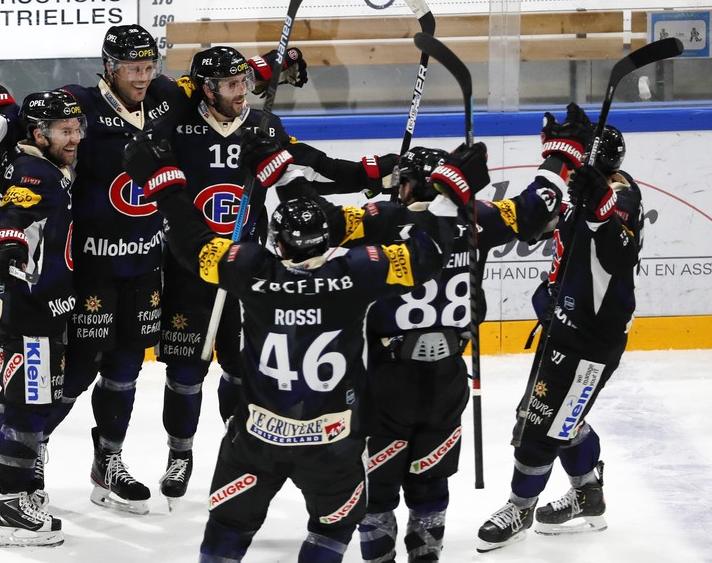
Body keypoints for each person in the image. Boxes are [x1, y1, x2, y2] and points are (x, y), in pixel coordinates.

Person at [0, 25, 309, 515]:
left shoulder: (163, 95)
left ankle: (107, 461)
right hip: (92, 268)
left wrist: (269, 68)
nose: (142, 75)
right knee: (77, 370)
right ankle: (33, 455)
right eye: (132, 67)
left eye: (148, 66)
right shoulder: (80, 103)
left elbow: (210, 83)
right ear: (110, 67)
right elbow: (29, 121)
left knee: (126, 369)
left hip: (144, 264)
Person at [120, 126, 488, 562]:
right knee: (331, 531)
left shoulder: (249, 268)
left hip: (258, 440)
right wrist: (451, 195)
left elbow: (191, 243)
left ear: (275, 241)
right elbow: (428, 254)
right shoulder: (357, 271)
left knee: (229, 528)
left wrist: (164, 181)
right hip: (333, 448)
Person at [155, 45, 398, 508]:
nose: (242, 91)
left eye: (245, 81)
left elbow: (311, 169)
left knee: (239, 368)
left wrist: (377, 172)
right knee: (185, 370)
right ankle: (179, 453)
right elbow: (165, 101)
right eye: (230, 84)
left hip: (245, 269)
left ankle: (236, 440)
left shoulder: (263, 125)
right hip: (189, 266)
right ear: (207, 90)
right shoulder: (181, 121)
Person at [345, 140, 571, 562]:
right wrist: (561, 155)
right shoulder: (476, 218)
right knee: (430, 485)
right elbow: (538, 207)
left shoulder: (375, 219)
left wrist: (281, 167)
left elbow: (304, 226)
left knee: (376, 493)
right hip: (446, 383)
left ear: (409, 187)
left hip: (385, 384)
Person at [475, 119, 643, 552]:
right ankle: (588, 493)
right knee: (553, 416)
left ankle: (520, 507)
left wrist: (600, 208)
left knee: (540, 428)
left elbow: (618, 251)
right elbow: (541, 224)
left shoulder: (621, 197)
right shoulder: (582, 189)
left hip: (590, 339)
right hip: (564, 328)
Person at [0, 90, 85, 548]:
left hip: (17, 300)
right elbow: (16, 213)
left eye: (77, 130)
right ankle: (12, 505)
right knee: (26, 401)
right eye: (65, 132)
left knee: (32, 397)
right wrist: (8, 244)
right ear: (40, 134)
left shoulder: (20, 148)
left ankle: (23, 488)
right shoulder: (37, 174)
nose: (74, 139)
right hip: (27, 305)